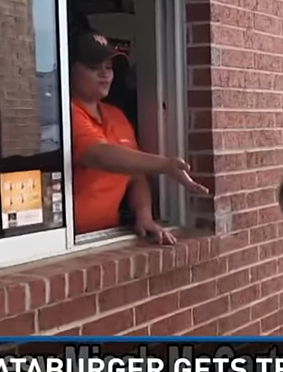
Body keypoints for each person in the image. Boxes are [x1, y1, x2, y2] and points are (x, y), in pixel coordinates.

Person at [70, 30, 209, 244]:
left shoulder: (116, 116)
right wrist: (164, 165)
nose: (104, 74)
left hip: (105, 235)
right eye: (93, 67)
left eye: (108, 67)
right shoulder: (67, 114)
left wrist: (144, 215)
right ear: (69, 70)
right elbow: (98, 154)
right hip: (68, 240)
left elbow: (135, 174)